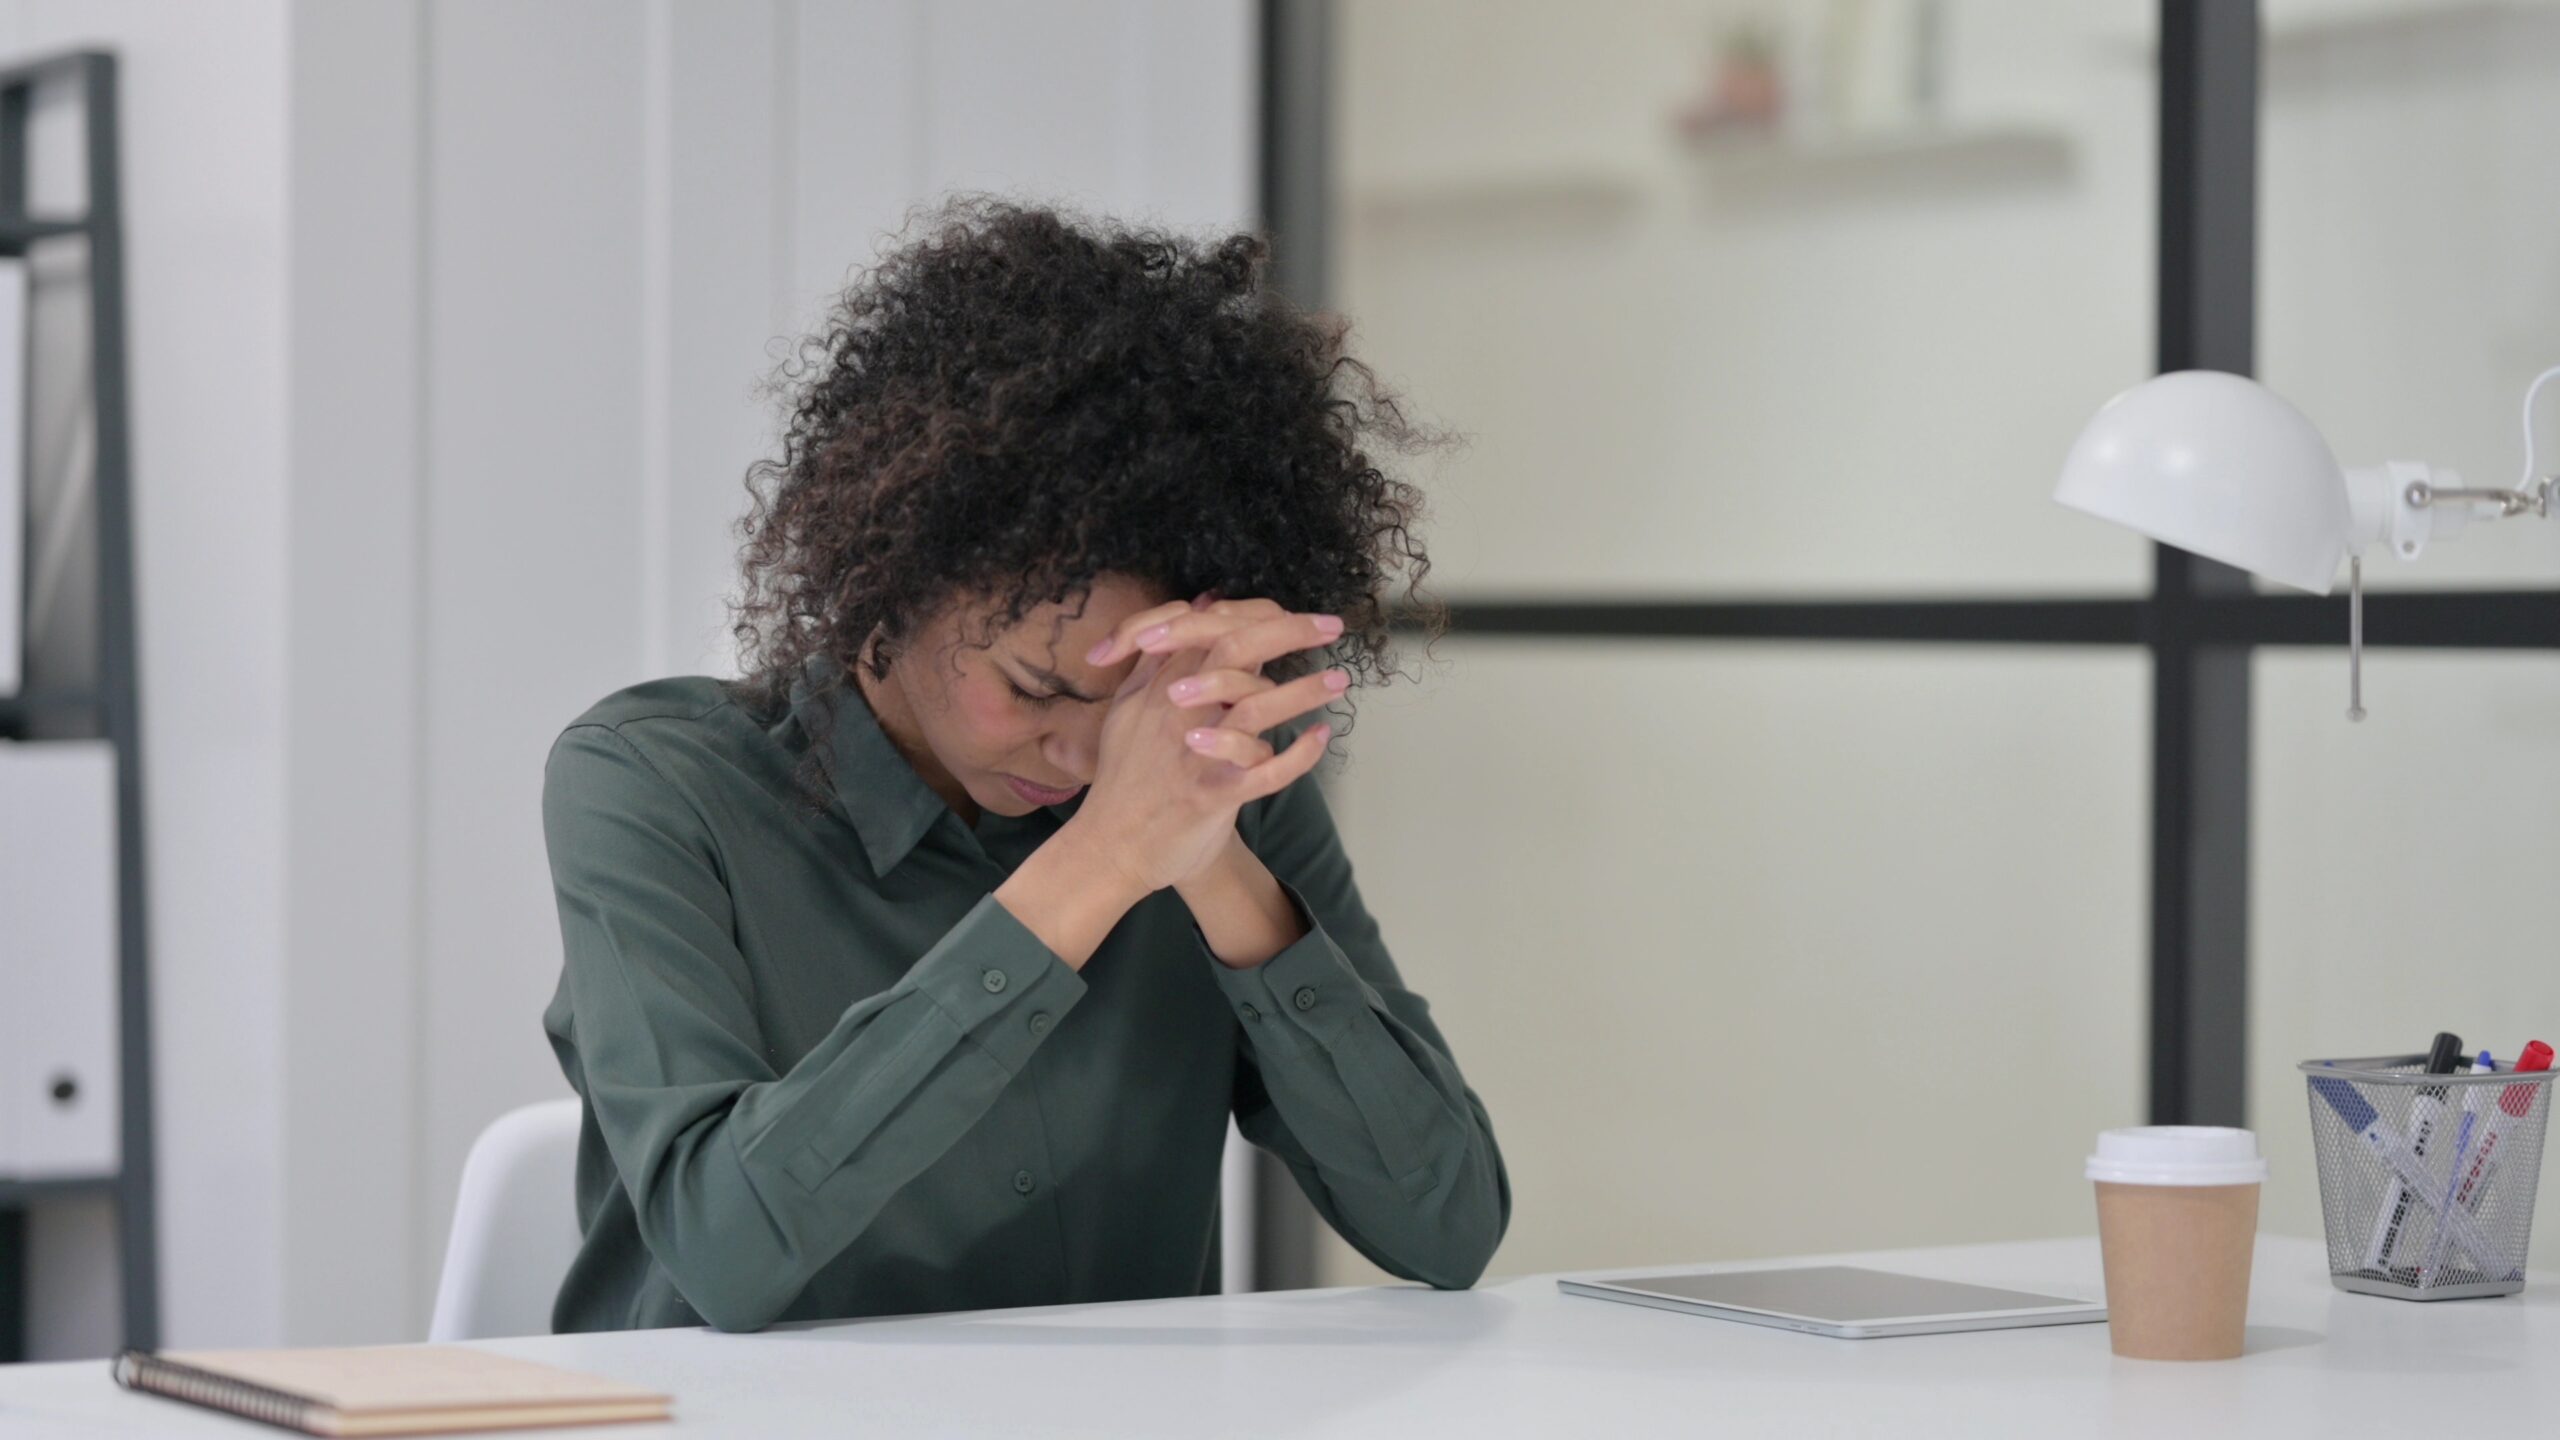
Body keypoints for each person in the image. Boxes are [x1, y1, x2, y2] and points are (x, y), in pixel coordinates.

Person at [538, 199, 1509, 1334]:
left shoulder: (1210, 798)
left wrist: (1211, 870)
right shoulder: (655, 784)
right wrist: (1099, 864)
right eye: (1037, 688)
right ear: (886, 591)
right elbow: (728, 1251)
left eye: (1130, 700)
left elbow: (1447, 1229)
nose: (1088, 754)